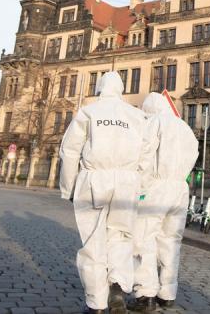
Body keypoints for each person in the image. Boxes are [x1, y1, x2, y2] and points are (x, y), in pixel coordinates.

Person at [60, 71, 155, 314]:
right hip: (127, 181)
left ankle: (96, 303)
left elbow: (70, 151)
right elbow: (147, 155)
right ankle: (118, 286)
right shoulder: (137, 115)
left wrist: (68, 187)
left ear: (101, 87)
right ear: (122, 89)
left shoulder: (89, 111)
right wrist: (140, 187)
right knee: (121, 237)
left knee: (94, 241)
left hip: (95, 179)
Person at [129, 93, 200, 312]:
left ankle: (145, 293)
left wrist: (139, 187)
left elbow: (145, 155)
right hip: (180, 188)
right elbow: (194, 153)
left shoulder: (154, 122)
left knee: (144, 238)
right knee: (171, 241)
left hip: (156, 186)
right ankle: (168, 293)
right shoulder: (184, 127)